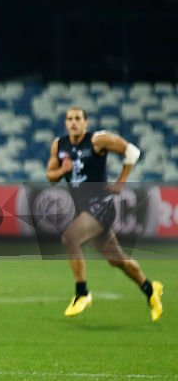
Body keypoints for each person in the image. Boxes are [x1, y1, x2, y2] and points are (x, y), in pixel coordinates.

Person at [46, 106, 163, 321]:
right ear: (65, 123)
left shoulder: (97, 141)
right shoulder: (59, 145)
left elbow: (132, 152)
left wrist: (121, 182)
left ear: (86, 122)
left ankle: (82, 293)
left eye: (78, 118)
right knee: (117, 260)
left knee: (70, 238)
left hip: (102, 204)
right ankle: (150, 289)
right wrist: (63, 170)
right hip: (84, 208)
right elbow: (50, 175)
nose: (73, 122)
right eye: (70, 119)